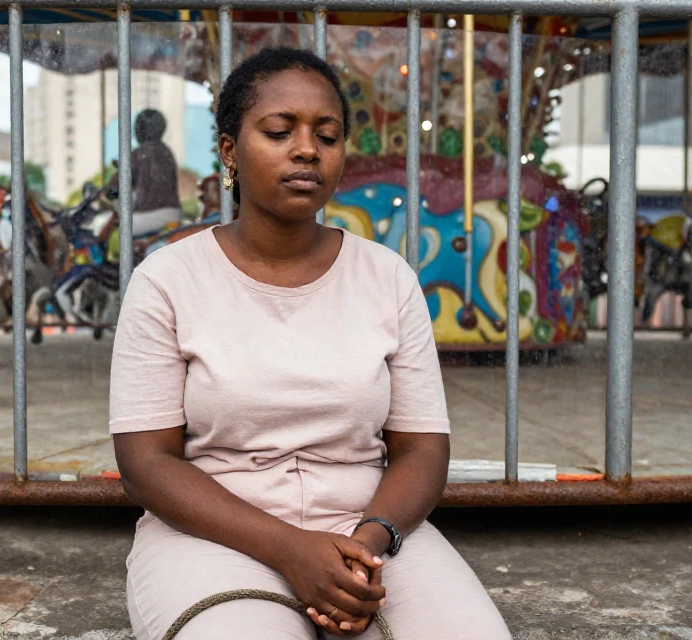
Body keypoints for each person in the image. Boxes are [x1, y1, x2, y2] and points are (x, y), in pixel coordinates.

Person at [109, 47, 511, 640]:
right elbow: (145, 463)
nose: (306, 149)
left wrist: (365, 546)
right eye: (279, 131)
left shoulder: (388, 277)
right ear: (228, 151)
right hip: (216, 532)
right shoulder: (167, 280)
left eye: (327, 135)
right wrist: (293, 551)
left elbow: (422, 450)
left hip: (368, 526)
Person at [130, 109, 183, 237]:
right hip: (173, 212)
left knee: (118, 230)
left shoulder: (139, 153)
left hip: (149, 214)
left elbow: (120, 183)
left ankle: (121, 257)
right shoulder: (167, 152)